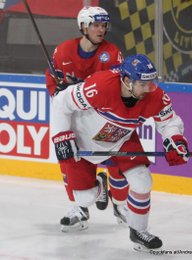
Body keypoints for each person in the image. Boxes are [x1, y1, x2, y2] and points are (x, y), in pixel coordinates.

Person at [50, 54, 189, 252]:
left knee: (142, 181)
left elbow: (169, 122)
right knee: (84, 199)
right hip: (83, 142)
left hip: (120, 139)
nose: (149, 88)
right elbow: (61, 102)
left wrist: (175, 141)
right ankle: (99, 187)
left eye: (151, 83)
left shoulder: (153, 95)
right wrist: (62, 135)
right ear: (126, 81)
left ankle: (138, 231)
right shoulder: (100, 86)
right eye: (143, 84)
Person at [45, 6, 126, 232]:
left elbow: (116, 88)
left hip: (99, 116)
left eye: (103, 26)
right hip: (72, 117)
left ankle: (119, 203)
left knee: (116, 161)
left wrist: (78, 89)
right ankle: (81, 208)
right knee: (68, 159)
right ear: (83, 26)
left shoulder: (111, 53)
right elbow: (52, 80)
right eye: (95, 25)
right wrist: (60, 93)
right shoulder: (63, 51)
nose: (101, 30)